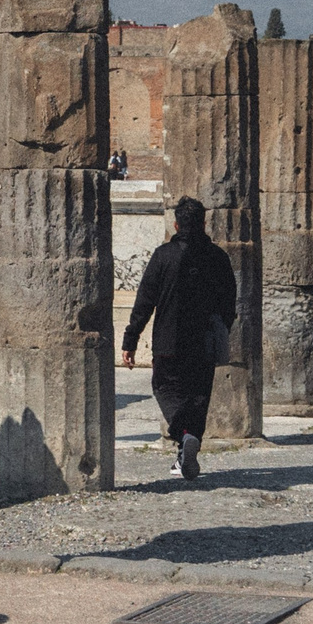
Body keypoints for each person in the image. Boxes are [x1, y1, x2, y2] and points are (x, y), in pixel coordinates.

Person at [118, 196, 237, 481]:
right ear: (204, 223)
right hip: (205, 340)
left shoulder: (163, 255)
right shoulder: (219, 257)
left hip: (169, 340)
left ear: (175, 224)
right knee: (198, 397)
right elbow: (230, 303)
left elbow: (144, 300)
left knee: (164, 388)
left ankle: (183, 437)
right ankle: (186, 448)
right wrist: (222, 331)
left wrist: (130, 340)